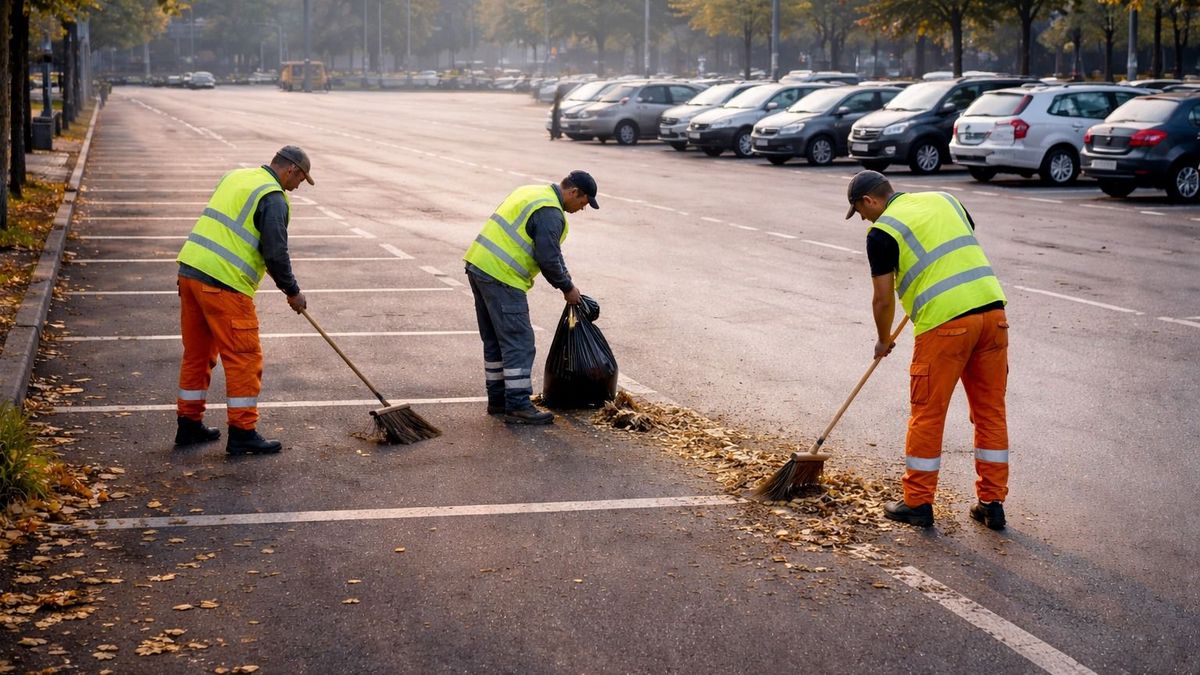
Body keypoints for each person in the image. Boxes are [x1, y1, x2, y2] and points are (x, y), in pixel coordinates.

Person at [845, 170, 1010, 530]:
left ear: (870, 200)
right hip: (993, 313)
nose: (862, 218)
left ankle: (917, 503)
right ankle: (992, 504)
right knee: (990, 412)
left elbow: (883, 298)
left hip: (945, 326)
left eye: (859, 210)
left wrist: (883, 338)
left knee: (928, 414)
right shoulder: (945, 198)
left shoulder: (882, 232)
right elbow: (958, 241)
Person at [174, 146, 314, 455]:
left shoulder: (236, 176)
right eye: (302, 179)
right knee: (243, 357)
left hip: (190, 272)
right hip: (225, 284)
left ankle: (188, 425)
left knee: (197, 353)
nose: (300, 185)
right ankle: (242, 431)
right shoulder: (273, 197)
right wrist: (293, 291)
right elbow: (275, 252)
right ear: (290, 170)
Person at [462, 171, 599, 425]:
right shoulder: (550, 212)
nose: (582, 209)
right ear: (574, 192)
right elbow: (548, 258)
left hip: (479, 266)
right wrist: (568, 288)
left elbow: (550, 253)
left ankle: (498, 400)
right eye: (584, 202)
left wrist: (567, 280)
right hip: (502, 277)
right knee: (519, 342)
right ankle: (517, 405)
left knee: (495, 340)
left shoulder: (532, 192)